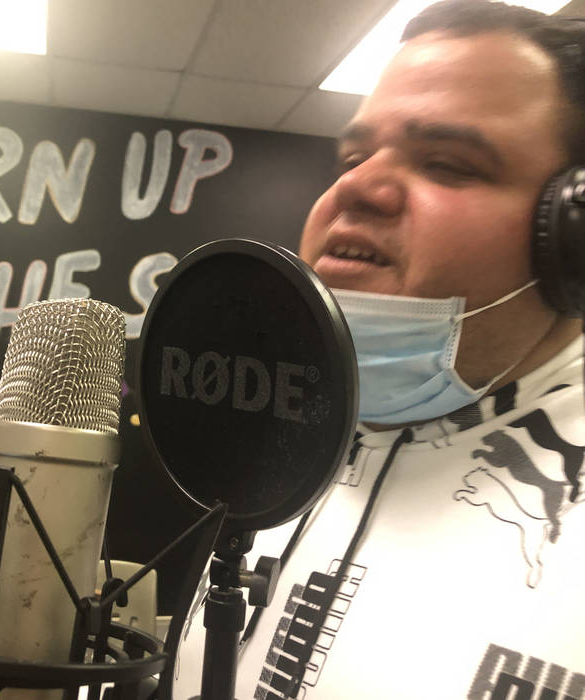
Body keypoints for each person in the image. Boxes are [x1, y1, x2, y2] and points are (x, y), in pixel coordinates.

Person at [172, 1, 585, 698]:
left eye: (447, 164)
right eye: (354, 158)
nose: (354, 187)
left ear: (571, 235)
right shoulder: (287, 454)